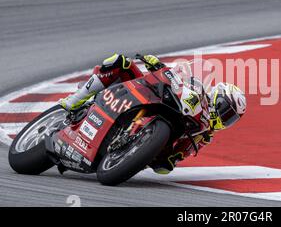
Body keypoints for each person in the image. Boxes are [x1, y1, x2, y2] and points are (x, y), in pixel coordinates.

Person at [59, 53, 246, 174]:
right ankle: (75, 100)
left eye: (229, 119)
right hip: (148, 95)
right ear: (217, 97)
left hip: (161, 133)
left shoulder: (204, 136)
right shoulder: (198, 89)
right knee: (120, 62)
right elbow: (175, 78)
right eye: (225, 111)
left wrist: (171, 158)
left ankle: (128, 146)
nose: (223, 118)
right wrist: (156, 65)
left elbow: (178, 155)